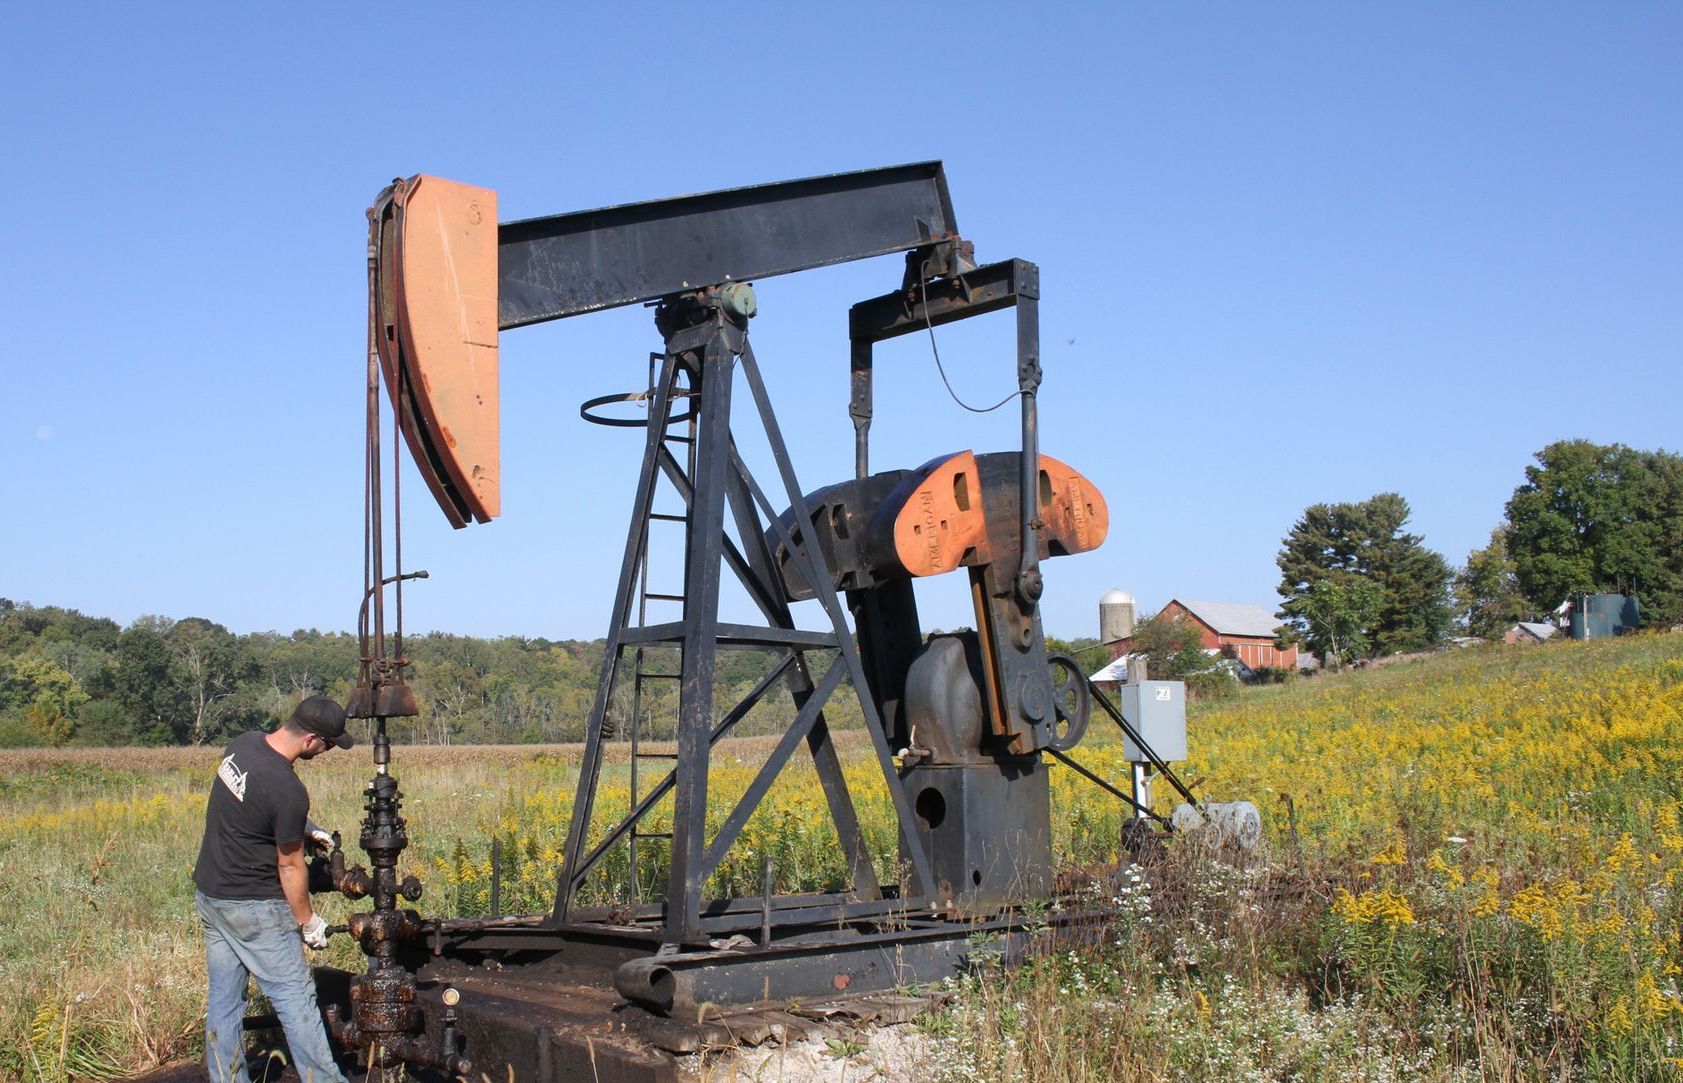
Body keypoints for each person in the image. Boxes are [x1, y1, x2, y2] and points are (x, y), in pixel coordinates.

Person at [192, 695, 354, 1083]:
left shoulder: (244, 744)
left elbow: (253, 803)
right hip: (255, 905)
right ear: (312, 739)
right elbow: (290, 864)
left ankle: (227, 1079)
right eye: (329, 744)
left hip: (213, 894)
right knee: (296, 999)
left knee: (226, 1001)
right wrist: (307, 921)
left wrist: (303, 826)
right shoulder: (288, 789)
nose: (328, 751)